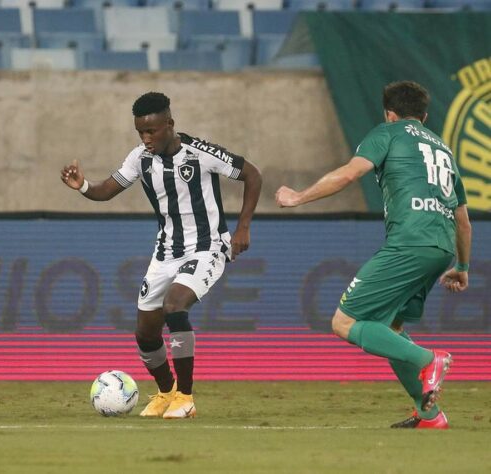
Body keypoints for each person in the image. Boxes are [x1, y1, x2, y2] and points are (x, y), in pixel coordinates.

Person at [275, 81, 472, 429]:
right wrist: (462, 265)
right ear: (424, 116)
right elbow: (462, 219)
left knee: (343, 322)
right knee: (391, 325)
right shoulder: (443, 149)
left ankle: (430, 360)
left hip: (410, 242)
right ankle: (428, 413)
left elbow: (351, 173)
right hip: (441, 248)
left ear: (390, 114)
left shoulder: (389, 133)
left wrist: (298, 197)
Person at [61, 92, 262, 418]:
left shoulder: (201, 153)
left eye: (152, 131)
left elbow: (253, 174)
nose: (146, 138)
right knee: (146, 331)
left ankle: (186, 396)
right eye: (140, 131)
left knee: (174, 306)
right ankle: (166, 392)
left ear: (169, 124)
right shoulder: (140, 158)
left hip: (208, 247)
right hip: (166, 252)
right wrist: (83, 186)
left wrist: (243, 228)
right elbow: (106, 191)